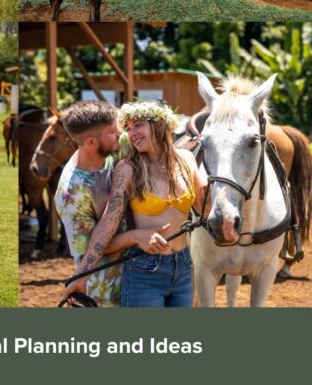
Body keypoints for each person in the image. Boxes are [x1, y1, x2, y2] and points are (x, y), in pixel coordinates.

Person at [61, 100, 207, 308]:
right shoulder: (128, 169)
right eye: (128, 129)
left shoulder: (187, 160)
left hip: (183, 265)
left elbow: (205, 209)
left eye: (137, 125)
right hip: (145, 270)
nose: (131, 133)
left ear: (159, 123)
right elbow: (107, 224)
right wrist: (82, 275)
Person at [54, 100, 128, 306]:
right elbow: (93, 248)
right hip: (102, 292)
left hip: (135, 279)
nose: (120, 133)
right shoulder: (71, 193)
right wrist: (137, 236)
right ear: (91, 142)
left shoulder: (112, 147)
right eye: (113, 131)